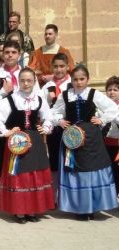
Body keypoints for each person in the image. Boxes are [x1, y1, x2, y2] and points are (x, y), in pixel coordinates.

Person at [52, 65, 119, 220]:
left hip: (91, 138)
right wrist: (59, 121)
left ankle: (92, 207)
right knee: (76, 170)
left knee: (91, 169)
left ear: (87, 79)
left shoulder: (94, 94)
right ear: (71, 80)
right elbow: (54, 112)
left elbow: (112, 109)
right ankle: (81, 208)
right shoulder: (65, 95)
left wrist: (101, 119)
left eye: (82, 79)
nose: (79, 82)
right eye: (75, 79)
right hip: (72, 138)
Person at [0, 68, 55, 223]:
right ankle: (19, 210)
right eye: (23, 80)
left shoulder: (39, 99)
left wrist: (45, 127)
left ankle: (32, 209)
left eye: (29, 80)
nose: (26, 83)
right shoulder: (10, 99)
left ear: (34, 81)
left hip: (35, 142)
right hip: (17, 143)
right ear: (18, 82)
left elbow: (49, 117)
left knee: (34, 175)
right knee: (20, 176)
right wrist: (6, 131)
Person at [42, 53, 72, 176]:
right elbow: (41, 107)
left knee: (69, 159)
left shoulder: (72, 84)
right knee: (54, 158)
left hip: (70, 125)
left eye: (62, 66)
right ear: (51, 67)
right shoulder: (47, 87)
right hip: (54, 127)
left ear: (67, 67)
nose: (58, 69)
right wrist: (48, 99)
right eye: (55, 66)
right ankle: (55, 192)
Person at [102, 76, 119, 194]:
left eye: (115, 90)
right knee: (109, 171)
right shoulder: (102, 106)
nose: (112, 92)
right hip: (105, 145)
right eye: (109, 89)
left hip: (117, 145)